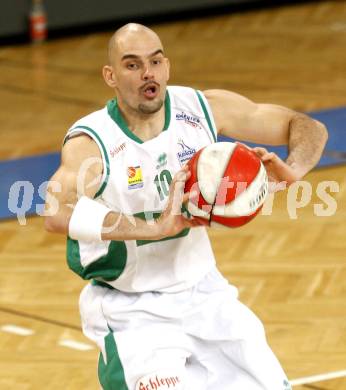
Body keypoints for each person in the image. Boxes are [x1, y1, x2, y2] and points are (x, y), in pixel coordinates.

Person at [44, 23, 328, 390]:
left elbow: (305, 125)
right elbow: (55, 212)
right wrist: (155, 227)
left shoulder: (200, 109)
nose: (148, 73)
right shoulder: (92, 141)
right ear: (110, 76)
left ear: (166, 67)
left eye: (156, 61)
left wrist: (297, 168)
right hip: (131, 310)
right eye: (132, 65)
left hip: (206, 293)